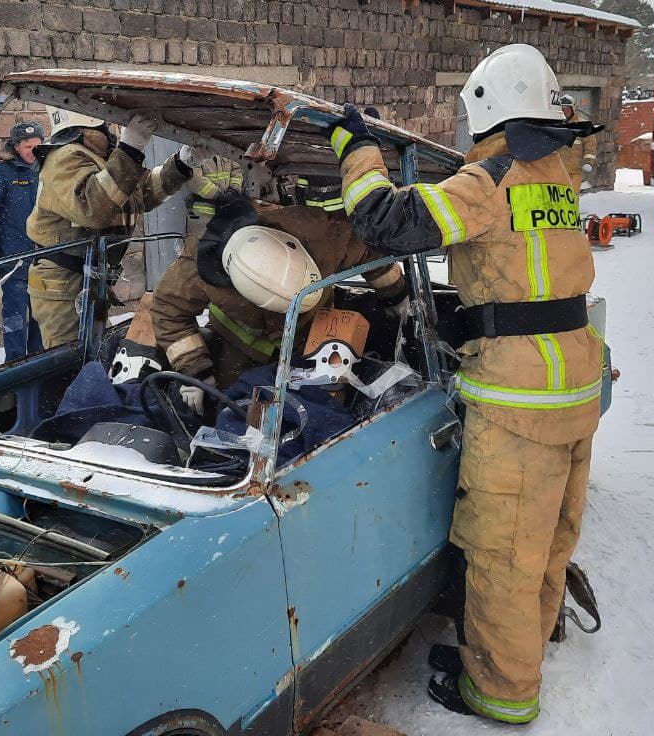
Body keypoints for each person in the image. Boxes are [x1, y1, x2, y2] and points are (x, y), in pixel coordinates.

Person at [325, 44, 602, 725]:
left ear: (485, 110)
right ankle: (517, 654)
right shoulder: (556, 171)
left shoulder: (489, 179)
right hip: (573, 378)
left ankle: (500, 692)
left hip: (518, 393)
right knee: (545, 540)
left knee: (503, 550)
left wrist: (354, 147)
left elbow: (382, 221)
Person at [149, 187, 409, 411]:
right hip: (234, 348)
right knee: (235, 407)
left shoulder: (321, 234)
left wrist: (395, 295)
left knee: (317, 404)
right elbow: (167, 310)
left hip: (309, 338)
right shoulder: (196, 267)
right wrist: (196, 372)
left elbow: (371, 254)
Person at [26, 109, 193, 348]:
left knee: (90, 354)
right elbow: (93, 209)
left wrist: (181, 164)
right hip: (65, 286)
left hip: (88, 279)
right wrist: (130, 149)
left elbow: (140, 195)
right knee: (68, 359)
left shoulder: (100, 158)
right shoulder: (66, 156)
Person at [0, 119, 46, 360]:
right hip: (15, 256)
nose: (33, 152)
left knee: (42, 312)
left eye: (37, 146)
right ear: (15, 146)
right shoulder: (1, 171)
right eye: (27, 147)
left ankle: (39, 359)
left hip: (45, 257)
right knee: (15, 315)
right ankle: (15, 362)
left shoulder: (47, 168)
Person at [557, 94, 598, 195]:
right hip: (556, 171)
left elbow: (590, 147)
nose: (565, 112)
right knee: (556, 199)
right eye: (562, 109)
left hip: (574, 171)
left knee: (571, 197)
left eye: (567, 109)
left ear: (573, 109)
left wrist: (588, 162)